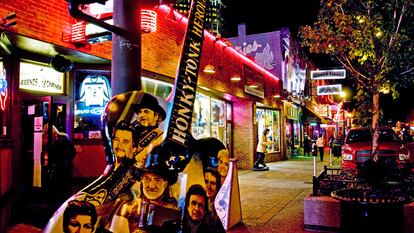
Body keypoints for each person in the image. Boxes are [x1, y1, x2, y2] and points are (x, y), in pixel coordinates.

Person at [131, 93, 167, 168]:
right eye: (140, 112)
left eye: (146, 112)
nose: (141, 115)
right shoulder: (133, 132)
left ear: (156, 116)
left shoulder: (161, 137)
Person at [46, 124, 77, 210]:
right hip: (67, 167)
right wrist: (69, 160)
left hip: (59, 168)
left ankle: (59, 208)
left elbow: (53, 155)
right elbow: (73, 152)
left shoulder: (55, 142)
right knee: (67, 188)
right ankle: (68, 205)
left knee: (59, 188)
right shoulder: (65, 139)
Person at [203, 168, 225, 233]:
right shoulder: (198, 203)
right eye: (206, 182)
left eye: (212, 183)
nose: (208, 186)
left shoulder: (220, 207)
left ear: (217, 186)